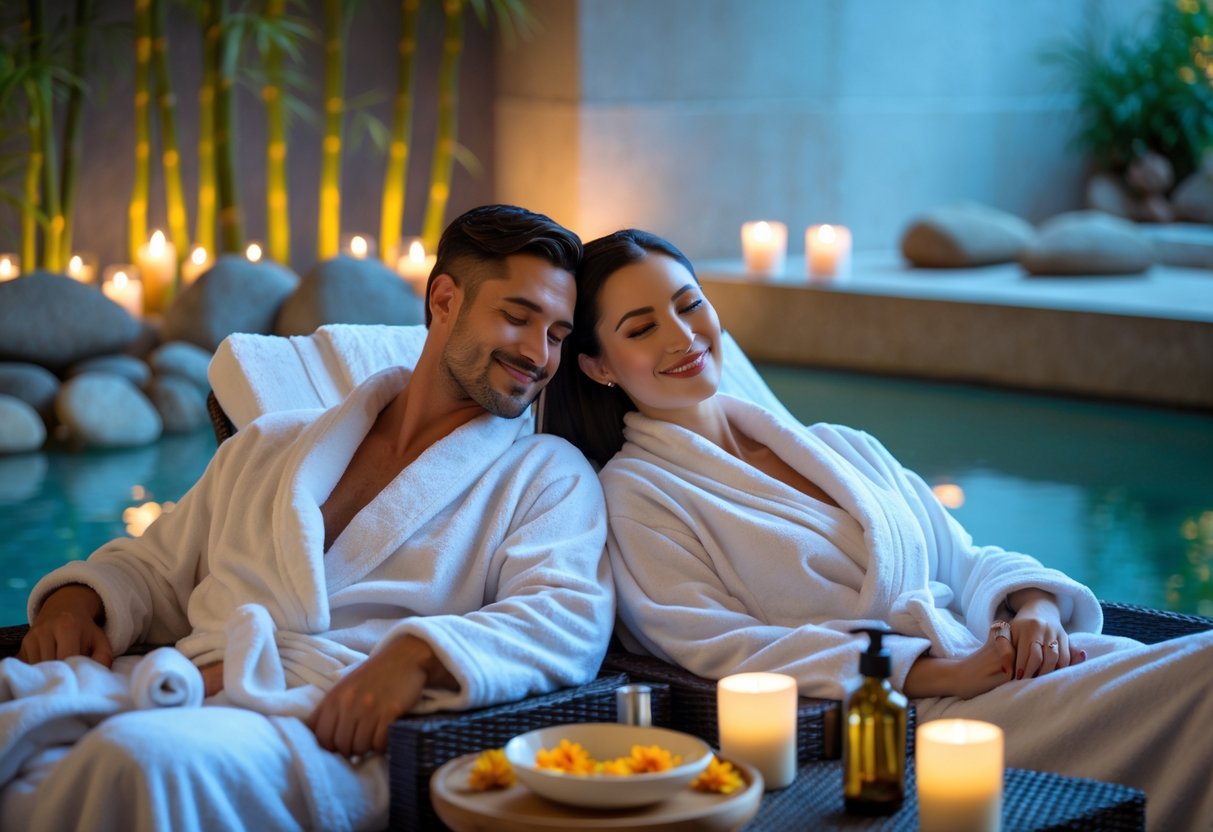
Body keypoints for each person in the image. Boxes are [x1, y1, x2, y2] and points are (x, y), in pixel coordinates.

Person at [542, 228, 1213, 831]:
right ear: (597, 366)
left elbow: (966, 556)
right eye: (640, 328)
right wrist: (934, 671)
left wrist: (1034, 607)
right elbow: (725, 649)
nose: (681, 336)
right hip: (922, 724)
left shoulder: (841, 446)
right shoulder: (636, 499)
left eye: (688, 305)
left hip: (1021, 666)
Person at [2, 205, 615, 831]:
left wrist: (418, 657)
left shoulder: (544, 475)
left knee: (141, 761)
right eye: (517, 317)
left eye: (558, 336)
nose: (539, 355)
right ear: (444, 300)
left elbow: (566, 616)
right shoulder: (274, 444)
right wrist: (77, 601)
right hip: (169, 693)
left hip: (323, 732)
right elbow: (155, 568)